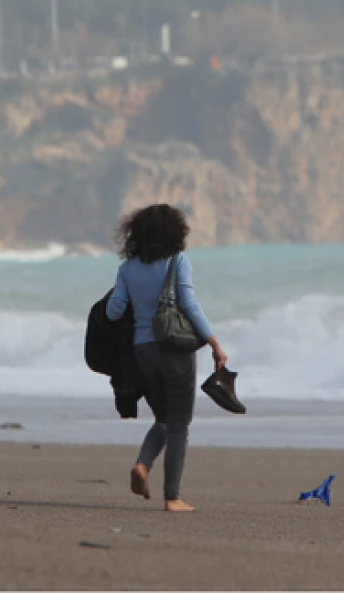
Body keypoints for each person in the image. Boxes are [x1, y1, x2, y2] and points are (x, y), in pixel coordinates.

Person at [106, 204, 227, 512]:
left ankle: (143, 466)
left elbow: (114, 311)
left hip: (142, 351)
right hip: (175, 350)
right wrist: (213, 342)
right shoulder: (178, 262)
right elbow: (189, 304)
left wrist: (133, 295)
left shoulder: (127, 269)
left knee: (164, 419)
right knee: (179, 425)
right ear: (175, 232)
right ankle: (172, 497)